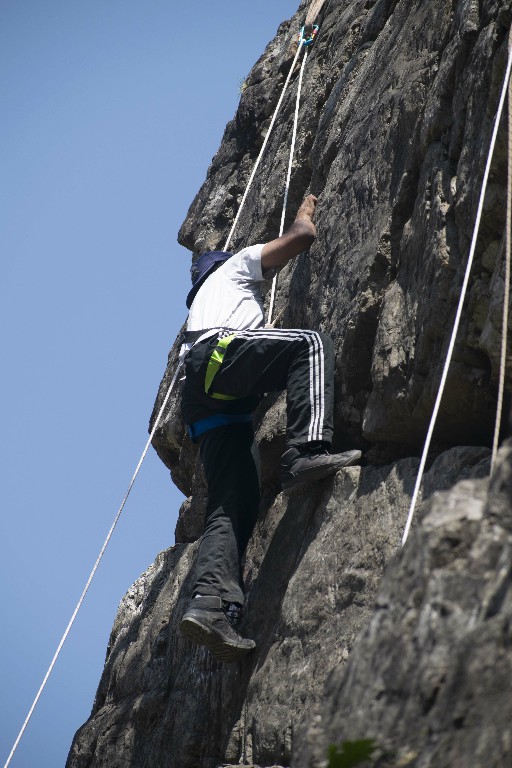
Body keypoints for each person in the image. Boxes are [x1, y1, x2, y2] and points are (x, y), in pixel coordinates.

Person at [178, 194, 361, 661]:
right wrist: (305, 213)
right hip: (219, 358)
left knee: (231, 505)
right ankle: (305, 451)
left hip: (206, 399)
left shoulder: (203, 304)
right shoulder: (235, 266)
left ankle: (210, 605)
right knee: (309, 345)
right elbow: (301, 240)